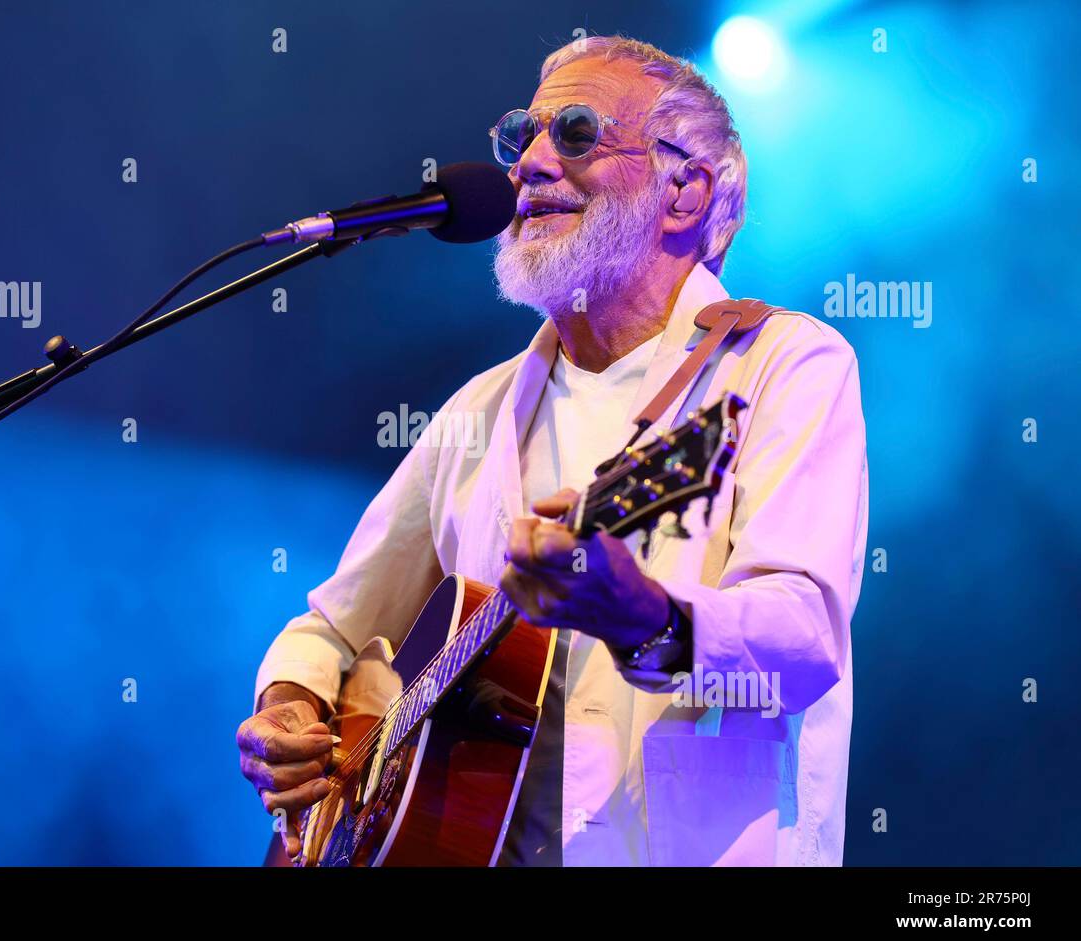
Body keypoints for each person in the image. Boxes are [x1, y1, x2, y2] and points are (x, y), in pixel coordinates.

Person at [237, 34, 868, 866]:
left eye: (572, 133)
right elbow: (332, 629)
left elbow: (804, 640)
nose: (528, 164)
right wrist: (292, 707)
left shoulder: (785, 365)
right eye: (521, 137)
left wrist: (649, 617)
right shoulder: (481, 408)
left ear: (684, 191)